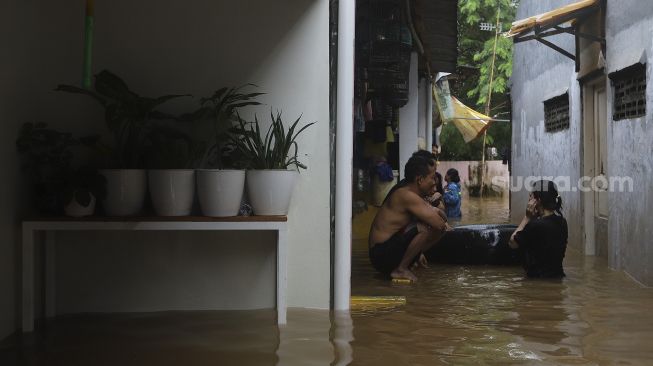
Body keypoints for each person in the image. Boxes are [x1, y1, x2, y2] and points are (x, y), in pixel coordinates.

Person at [369, 155, 448, 281]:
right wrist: (435, 209)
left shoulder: (410, 190)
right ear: (420, 180)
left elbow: (442, 226)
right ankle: (400, 269)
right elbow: (439, 223)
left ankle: (412, 259)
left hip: (386, 250)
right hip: (380, 255)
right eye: (432, 178)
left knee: (436, 228)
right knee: (424, 228)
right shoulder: (406, 195)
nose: (435, 182)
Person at [509, 180, 568, 278]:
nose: (529, 199)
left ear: (538, 201)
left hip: (536, 280)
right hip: (558, 277)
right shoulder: (562, 222)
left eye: (531, 196)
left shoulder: (535, 225)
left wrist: (527, 218)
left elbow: (512, 243)